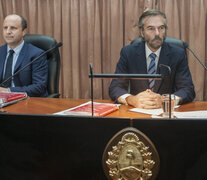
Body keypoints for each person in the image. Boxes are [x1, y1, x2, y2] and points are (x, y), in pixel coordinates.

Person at [109, 9, 195, 109]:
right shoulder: (128, 53)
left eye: (161, 28)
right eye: (151, 28)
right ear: (142, 32)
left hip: (165, 113)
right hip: (137, 111)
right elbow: (115, 87)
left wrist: (166, 100)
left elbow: (187, 89)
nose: (157, 33)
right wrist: (132, 99)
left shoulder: (177, 54)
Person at [0, 14, 48, 97]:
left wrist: (8, 91)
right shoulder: (1, 51)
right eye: (5, 28)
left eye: (13, 28)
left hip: (27, 100)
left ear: (24, 32)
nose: (8, 32)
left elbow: (39, 87)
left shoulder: (37, 54)